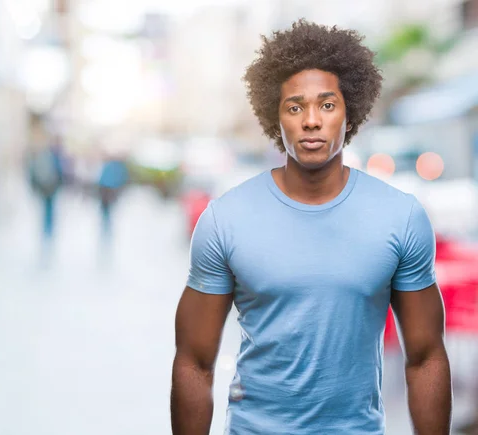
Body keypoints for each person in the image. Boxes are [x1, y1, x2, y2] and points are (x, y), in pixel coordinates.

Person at [171, 20, 452, 435]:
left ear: (348, 112)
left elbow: (426, 356)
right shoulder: (225, 219)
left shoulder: (401, 216)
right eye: (295, 106)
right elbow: (194, 361)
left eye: (327, 104)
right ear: (276, 117)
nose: (311, 121)